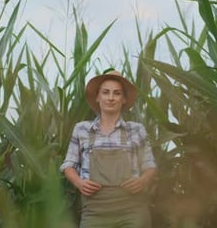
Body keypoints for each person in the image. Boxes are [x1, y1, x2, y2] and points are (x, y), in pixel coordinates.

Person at [60, 69, 157, 228]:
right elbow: (68, 165)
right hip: (94, 209)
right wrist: (79, 183)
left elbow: (150, 166)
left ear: (124, 99)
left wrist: (142, 180)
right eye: (105, 92)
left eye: (117, 93)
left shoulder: (136, 129)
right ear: (97, 97)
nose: (111, 98)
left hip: (132, 208)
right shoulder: (82, 129)